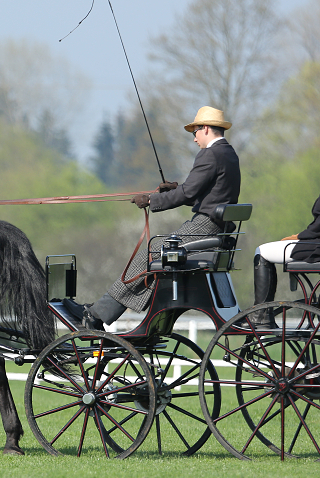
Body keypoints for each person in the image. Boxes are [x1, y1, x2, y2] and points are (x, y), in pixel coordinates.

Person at [68, 106, 241, 329]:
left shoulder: (209, 154)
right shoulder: (229, 154)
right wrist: (173, 189)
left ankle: (95, 316)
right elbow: (207, 194)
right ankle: (100, 311)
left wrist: (151, 200)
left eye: (195, 132)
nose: (194, 138)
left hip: (204, 227)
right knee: (154, 254)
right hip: (216, 228)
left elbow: (188, 193)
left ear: (205, 128)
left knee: (150, 254)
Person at [248, 128, 320, 327]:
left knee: (262, 252)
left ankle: (260, 317)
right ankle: (262, 315)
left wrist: (300, 237)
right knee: (270, 248)